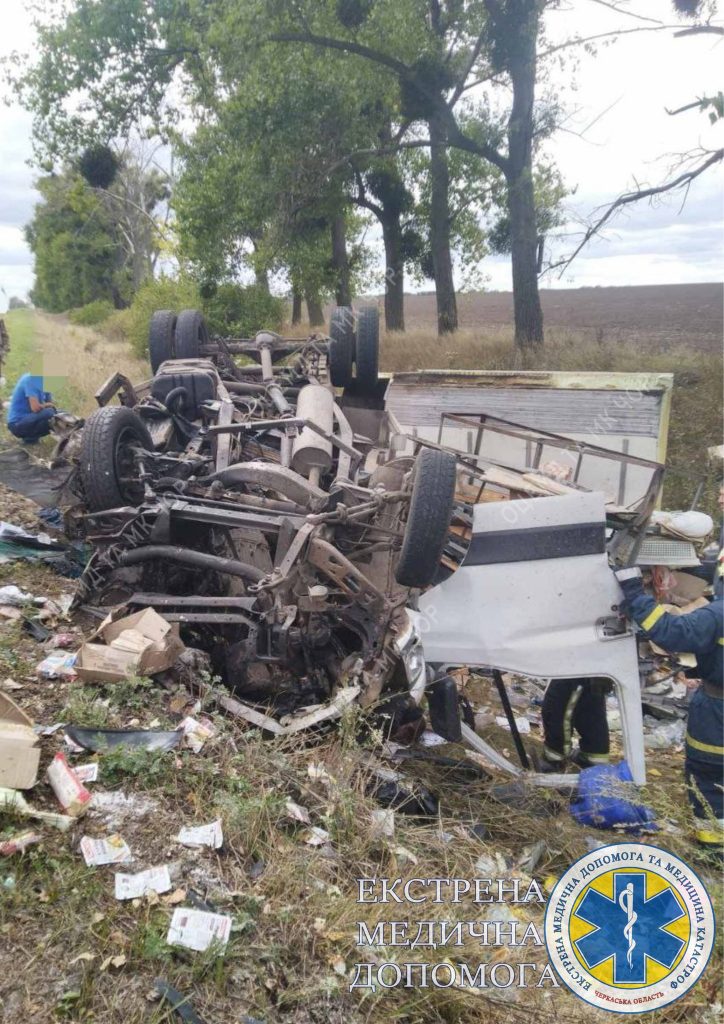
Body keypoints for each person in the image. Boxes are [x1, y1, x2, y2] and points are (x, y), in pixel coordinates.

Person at [615, 565, 723, 857]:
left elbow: (671, 633)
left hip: (718, 714)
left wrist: (635, 593)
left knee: (709, 777)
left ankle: (715, 849)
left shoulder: (718, 615)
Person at [541, 677, 611, 771]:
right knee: (591, 702)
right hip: (593, 668)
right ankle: (593, 756)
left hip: (574, 670)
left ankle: (555, 757)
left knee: (559, 705)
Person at [6, 372, 57, 442]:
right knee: (49, 413)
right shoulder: (30, 379)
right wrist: (47, 405)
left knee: (61, 415)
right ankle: (29, 437)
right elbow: (35, 408)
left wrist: (50, 406)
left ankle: (31, 439)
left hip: (30, 418)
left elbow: (51, 404)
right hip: (17, 423)